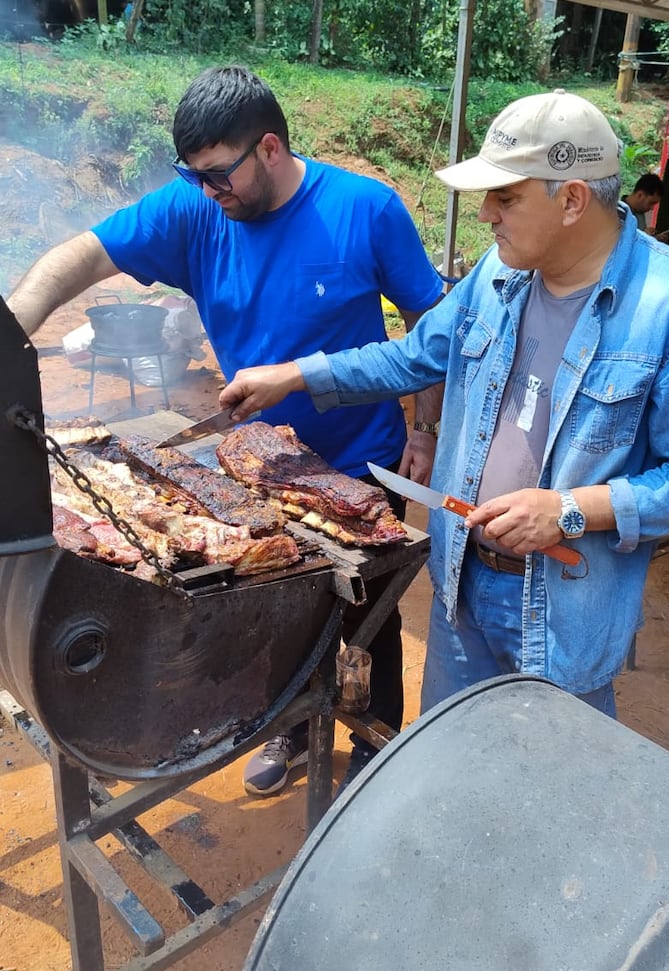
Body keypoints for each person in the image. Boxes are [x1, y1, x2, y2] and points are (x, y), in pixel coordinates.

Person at [219, 90, 669, 719]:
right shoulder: (496, 278)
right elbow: (412, 358)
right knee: (450, 777)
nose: (487, 215)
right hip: (461, 588)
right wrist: (294, 375)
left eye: (506, 197)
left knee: (545, 791)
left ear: (572, 198)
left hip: (561, 609)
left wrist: (569, 511)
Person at [7, 66, 443, 793]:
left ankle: (376, 742)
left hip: (357, 463)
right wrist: (7, 338)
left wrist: (424, 427)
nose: (208, 192)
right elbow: (78, 256)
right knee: (279, 616)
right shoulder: (196, 207)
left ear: (269, 148)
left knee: (369, 618)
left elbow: (432, 326)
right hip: (251, 466)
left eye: (217, 175)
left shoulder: (366, 209)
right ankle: (296, 731)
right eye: (195, 177)